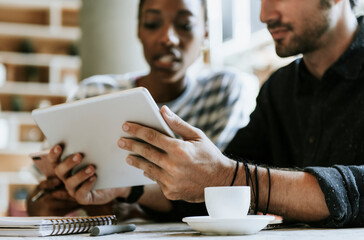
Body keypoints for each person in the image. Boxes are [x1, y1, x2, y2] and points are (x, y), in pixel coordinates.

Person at [108, 0, 364, 228]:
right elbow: (211, 191)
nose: (264, 15)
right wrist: (127, 190)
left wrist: (227, 176)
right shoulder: (280, 88)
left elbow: (228, 178)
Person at [27, 0, 258, 221]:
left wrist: (131, 202)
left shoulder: (224, 91)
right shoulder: (95, 91)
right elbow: (41, 193)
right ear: (139, 31)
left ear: (206, 32)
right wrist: (45, 199)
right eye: (152, 24)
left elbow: (217, 185)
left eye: (185, 25)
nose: (168, 38)